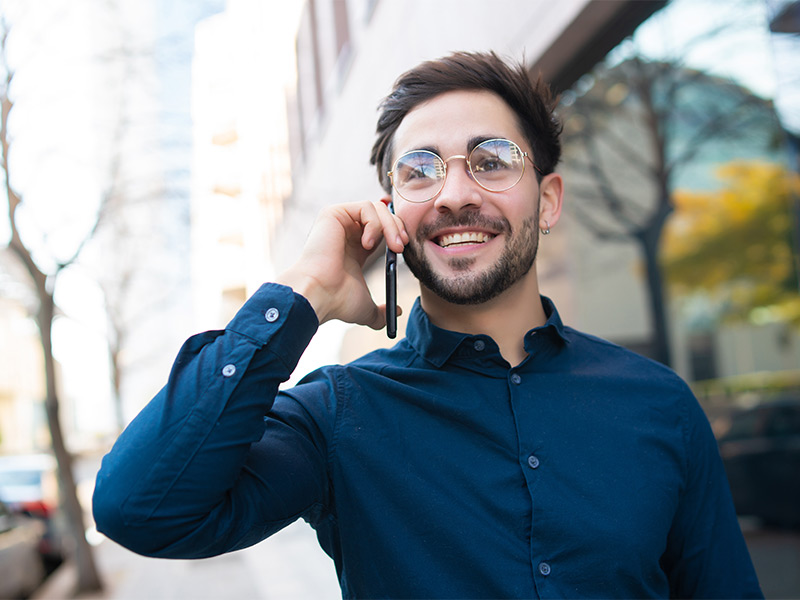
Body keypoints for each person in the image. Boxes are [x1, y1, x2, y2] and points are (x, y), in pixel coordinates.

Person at [93, 51, 762, 599]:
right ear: (388, 213)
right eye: (419, 171)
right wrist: (306, 293)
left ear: (548, 199)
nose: (454, 193)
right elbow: (142, 510)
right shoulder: (333, 418)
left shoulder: (660, 405)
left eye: (491, 160)